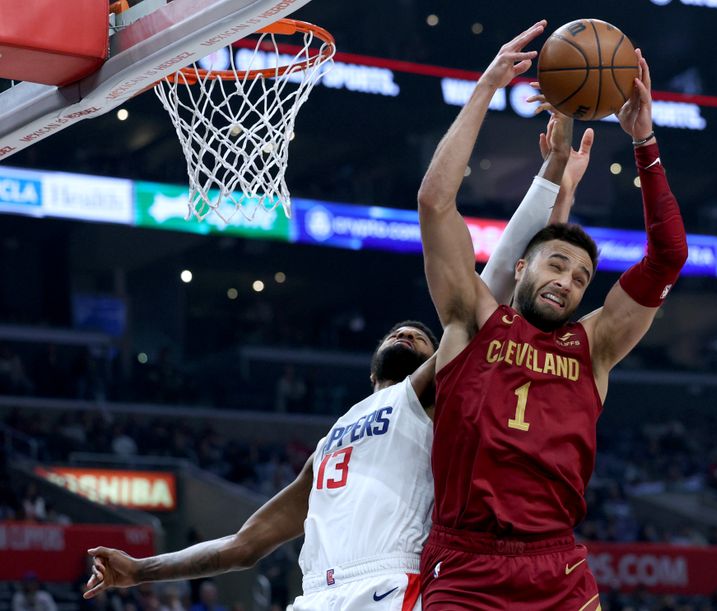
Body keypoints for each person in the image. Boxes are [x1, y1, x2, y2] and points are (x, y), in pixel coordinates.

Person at [81, 105, 593, 611]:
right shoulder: (328, 445)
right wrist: (142, 569)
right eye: (400, 332)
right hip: (317, 598)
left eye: (420, 338)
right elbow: (243, 545)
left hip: (395, 584)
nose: (409, 335)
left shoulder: (431, 393)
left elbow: (504, 275)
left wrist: (552, 180)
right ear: (373, 365)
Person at [416, 21, 687, 610]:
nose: (567, 281)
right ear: (519, 268)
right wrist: (488, 85)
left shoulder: (594, 345)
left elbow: (668, 255)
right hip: (465, 565)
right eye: (557, 264)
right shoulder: (470, 319)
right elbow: (436, 203)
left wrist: (644, 140)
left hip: (557, 566)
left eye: (582, 278)